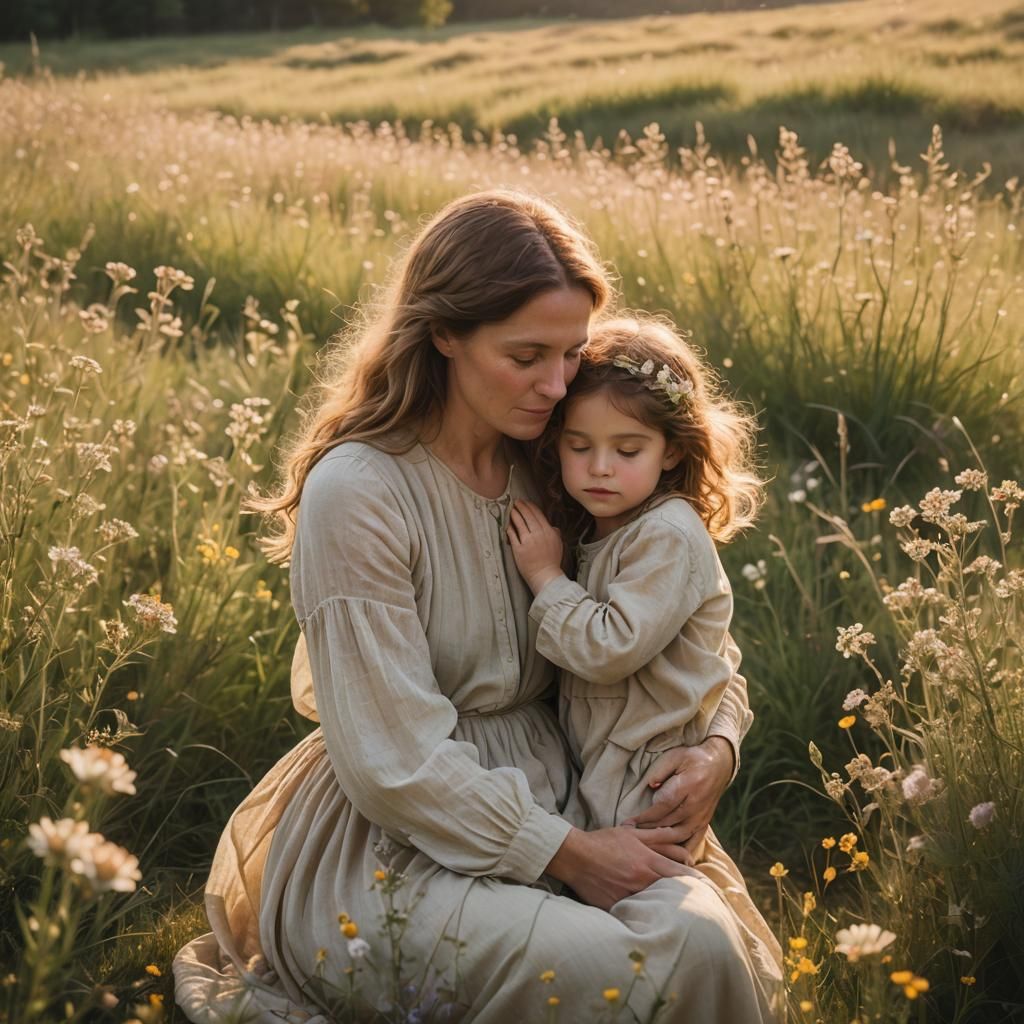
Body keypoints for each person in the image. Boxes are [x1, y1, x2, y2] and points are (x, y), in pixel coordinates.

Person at [173, 189, 781, 1023]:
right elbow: (395, 761)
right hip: (401, 835)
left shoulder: (563, 463)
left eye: (571, 354)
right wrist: (568, 855)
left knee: (705, 942)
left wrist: (718, 747)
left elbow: (689, 630)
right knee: (611, 964)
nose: (557, 384)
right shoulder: (360, 492)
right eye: (527, 355)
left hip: (569, 789)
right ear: (445, 333)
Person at [506, 316, 763, 870]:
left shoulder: (666, 534)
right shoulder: (606, 524)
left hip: (647, 772)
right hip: (602, 758)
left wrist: (546, 578)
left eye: (628, 451)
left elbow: (610, 647)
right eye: (580, 446)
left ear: (671, 451)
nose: (600, 469)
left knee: (639, 892)